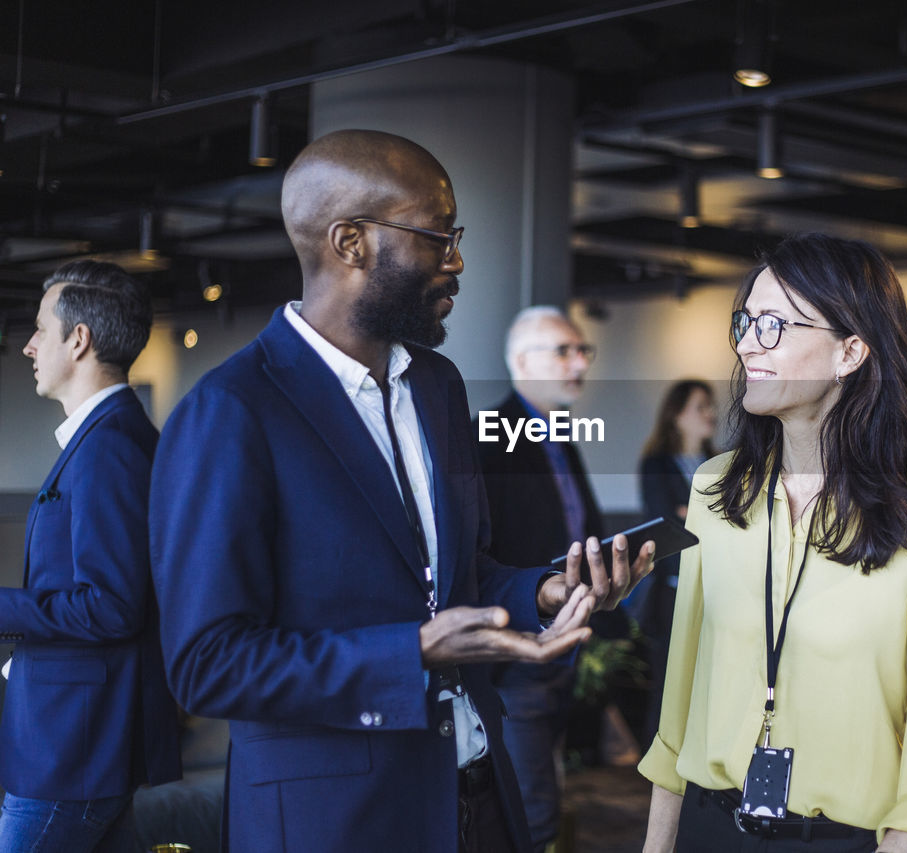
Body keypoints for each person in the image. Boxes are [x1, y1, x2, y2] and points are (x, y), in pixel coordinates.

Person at [149, 129, 651, 853]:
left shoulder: (439, 389)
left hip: (477, 794)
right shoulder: (231, 411)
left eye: (457, 237)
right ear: (349, 242)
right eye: (435, 237)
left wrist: (541, 592)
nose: (457, 261)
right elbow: (207, 664)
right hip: (339, 820)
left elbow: (462, 575)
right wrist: (412, 650)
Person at [639, 234, 907, 853]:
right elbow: (679, 710)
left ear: (850, 351)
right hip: (707, 827)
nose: (748, 342)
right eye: (745, 320)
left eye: (774, 324)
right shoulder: (716, 490)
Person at [1, 260, 181, 852]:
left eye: (39, 330)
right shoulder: (108, 438)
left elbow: (112, 607)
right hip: (77, 743)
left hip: (71, 752)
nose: (28, 346)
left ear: (78, 340)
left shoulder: (109, 448)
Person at [474, 305, 607, 852]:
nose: (579, 362)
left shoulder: (563, 440)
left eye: (583, 351)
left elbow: (582, 531)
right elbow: (485, 554)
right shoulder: (490, 439)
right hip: (519, 649)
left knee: (548, 790)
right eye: (564, 350)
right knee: (529, 811)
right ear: (524, 361)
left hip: (565, 642)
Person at [635, 379, 717, 741]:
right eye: (701, 406)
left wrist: (691, 512)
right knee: (670, 685)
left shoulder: (721, 461)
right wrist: (711, 514)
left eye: (710, 406)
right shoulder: (657, 464)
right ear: (677, 415)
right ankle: (657, 771)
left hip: (717, 588)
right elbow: (664, 518)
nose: (711, 414)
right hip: (673, 588)